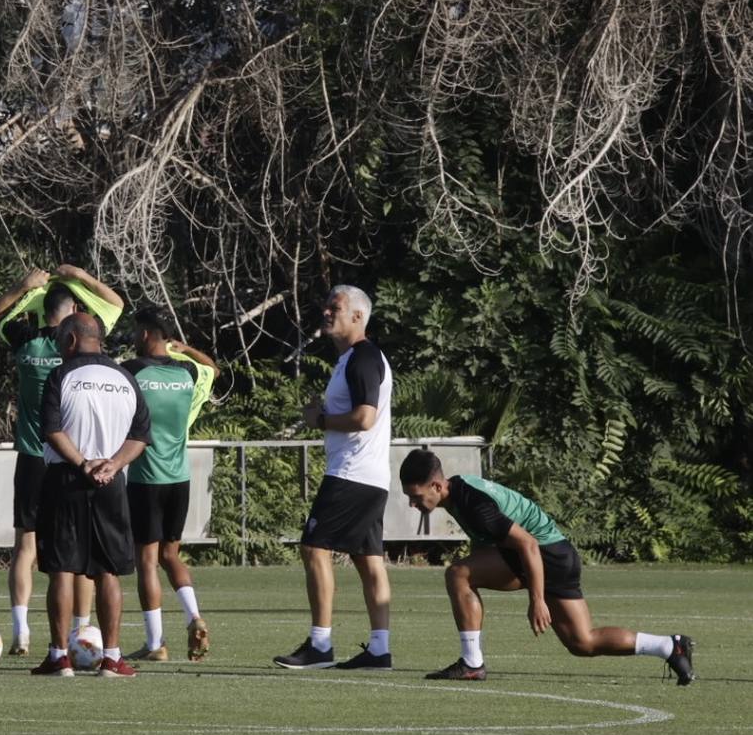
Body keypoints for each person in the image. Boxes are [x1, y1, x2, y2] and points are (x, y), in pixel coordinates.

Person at [399, 449, 696, 684]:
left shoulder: (473, 504)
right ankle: (669, 646)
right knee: (582, 642)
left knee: (457, 574)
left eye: (416, 496)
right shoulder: (460, 490)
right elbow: (490, 540)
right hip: (559, 555)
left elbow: (528, 544)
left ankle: (472, 663)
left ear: (436, 485)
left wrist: (537, 600)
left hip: (543, 555)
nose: (413, 504)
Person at [0, 265, 124, 655]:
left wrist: (23, 285)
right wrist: (81, 275)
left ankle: (21, 631)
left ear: (43, 310)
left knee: (25, 544)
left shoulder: (26, 341)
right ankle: (81, 631)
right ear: (76, 314)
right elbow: (116, 303)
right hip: (72, 461)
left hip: (33, 456)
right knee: (79, 549)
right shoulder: (83, 348)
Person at [274, 285, 394, 671]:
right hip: (369, 475)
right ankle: (379, 650)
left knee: (314, 548)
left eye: (335, 307)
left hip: (352, 474)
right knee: (368, 559)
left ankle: (320, 644)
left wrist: (321, 420)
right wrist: (321, 413)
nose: (326, 312)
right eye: (326, 306)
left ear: (358, 316)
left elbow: (364, 418)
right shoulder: (350, 359)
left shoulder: (363, 357)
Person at [32, 312, 150, 678]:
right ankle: (112, 658)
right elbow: (140, 436)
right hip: (110, 482)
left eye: (59, 340)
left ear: (70, 340)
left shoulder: (61, 375)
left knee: (61, 569)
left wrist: (84, 463)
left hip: (66, 478)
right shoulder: (125, 377)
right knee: (108, 570)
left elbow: (52, 431)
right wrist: (113, 465)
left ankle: (59, 657)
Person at [120, 307, 217, 662]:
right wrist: (186, 349)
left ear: (145, 333)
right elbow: (212, 368)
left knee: (146, 560)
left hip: (146, 478)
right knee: (170, 555)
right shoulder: (186, 373)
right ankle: (194, 616)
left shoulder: (132, 371)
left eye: (136, 332)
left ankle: (155, 643)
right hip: (179, 478)